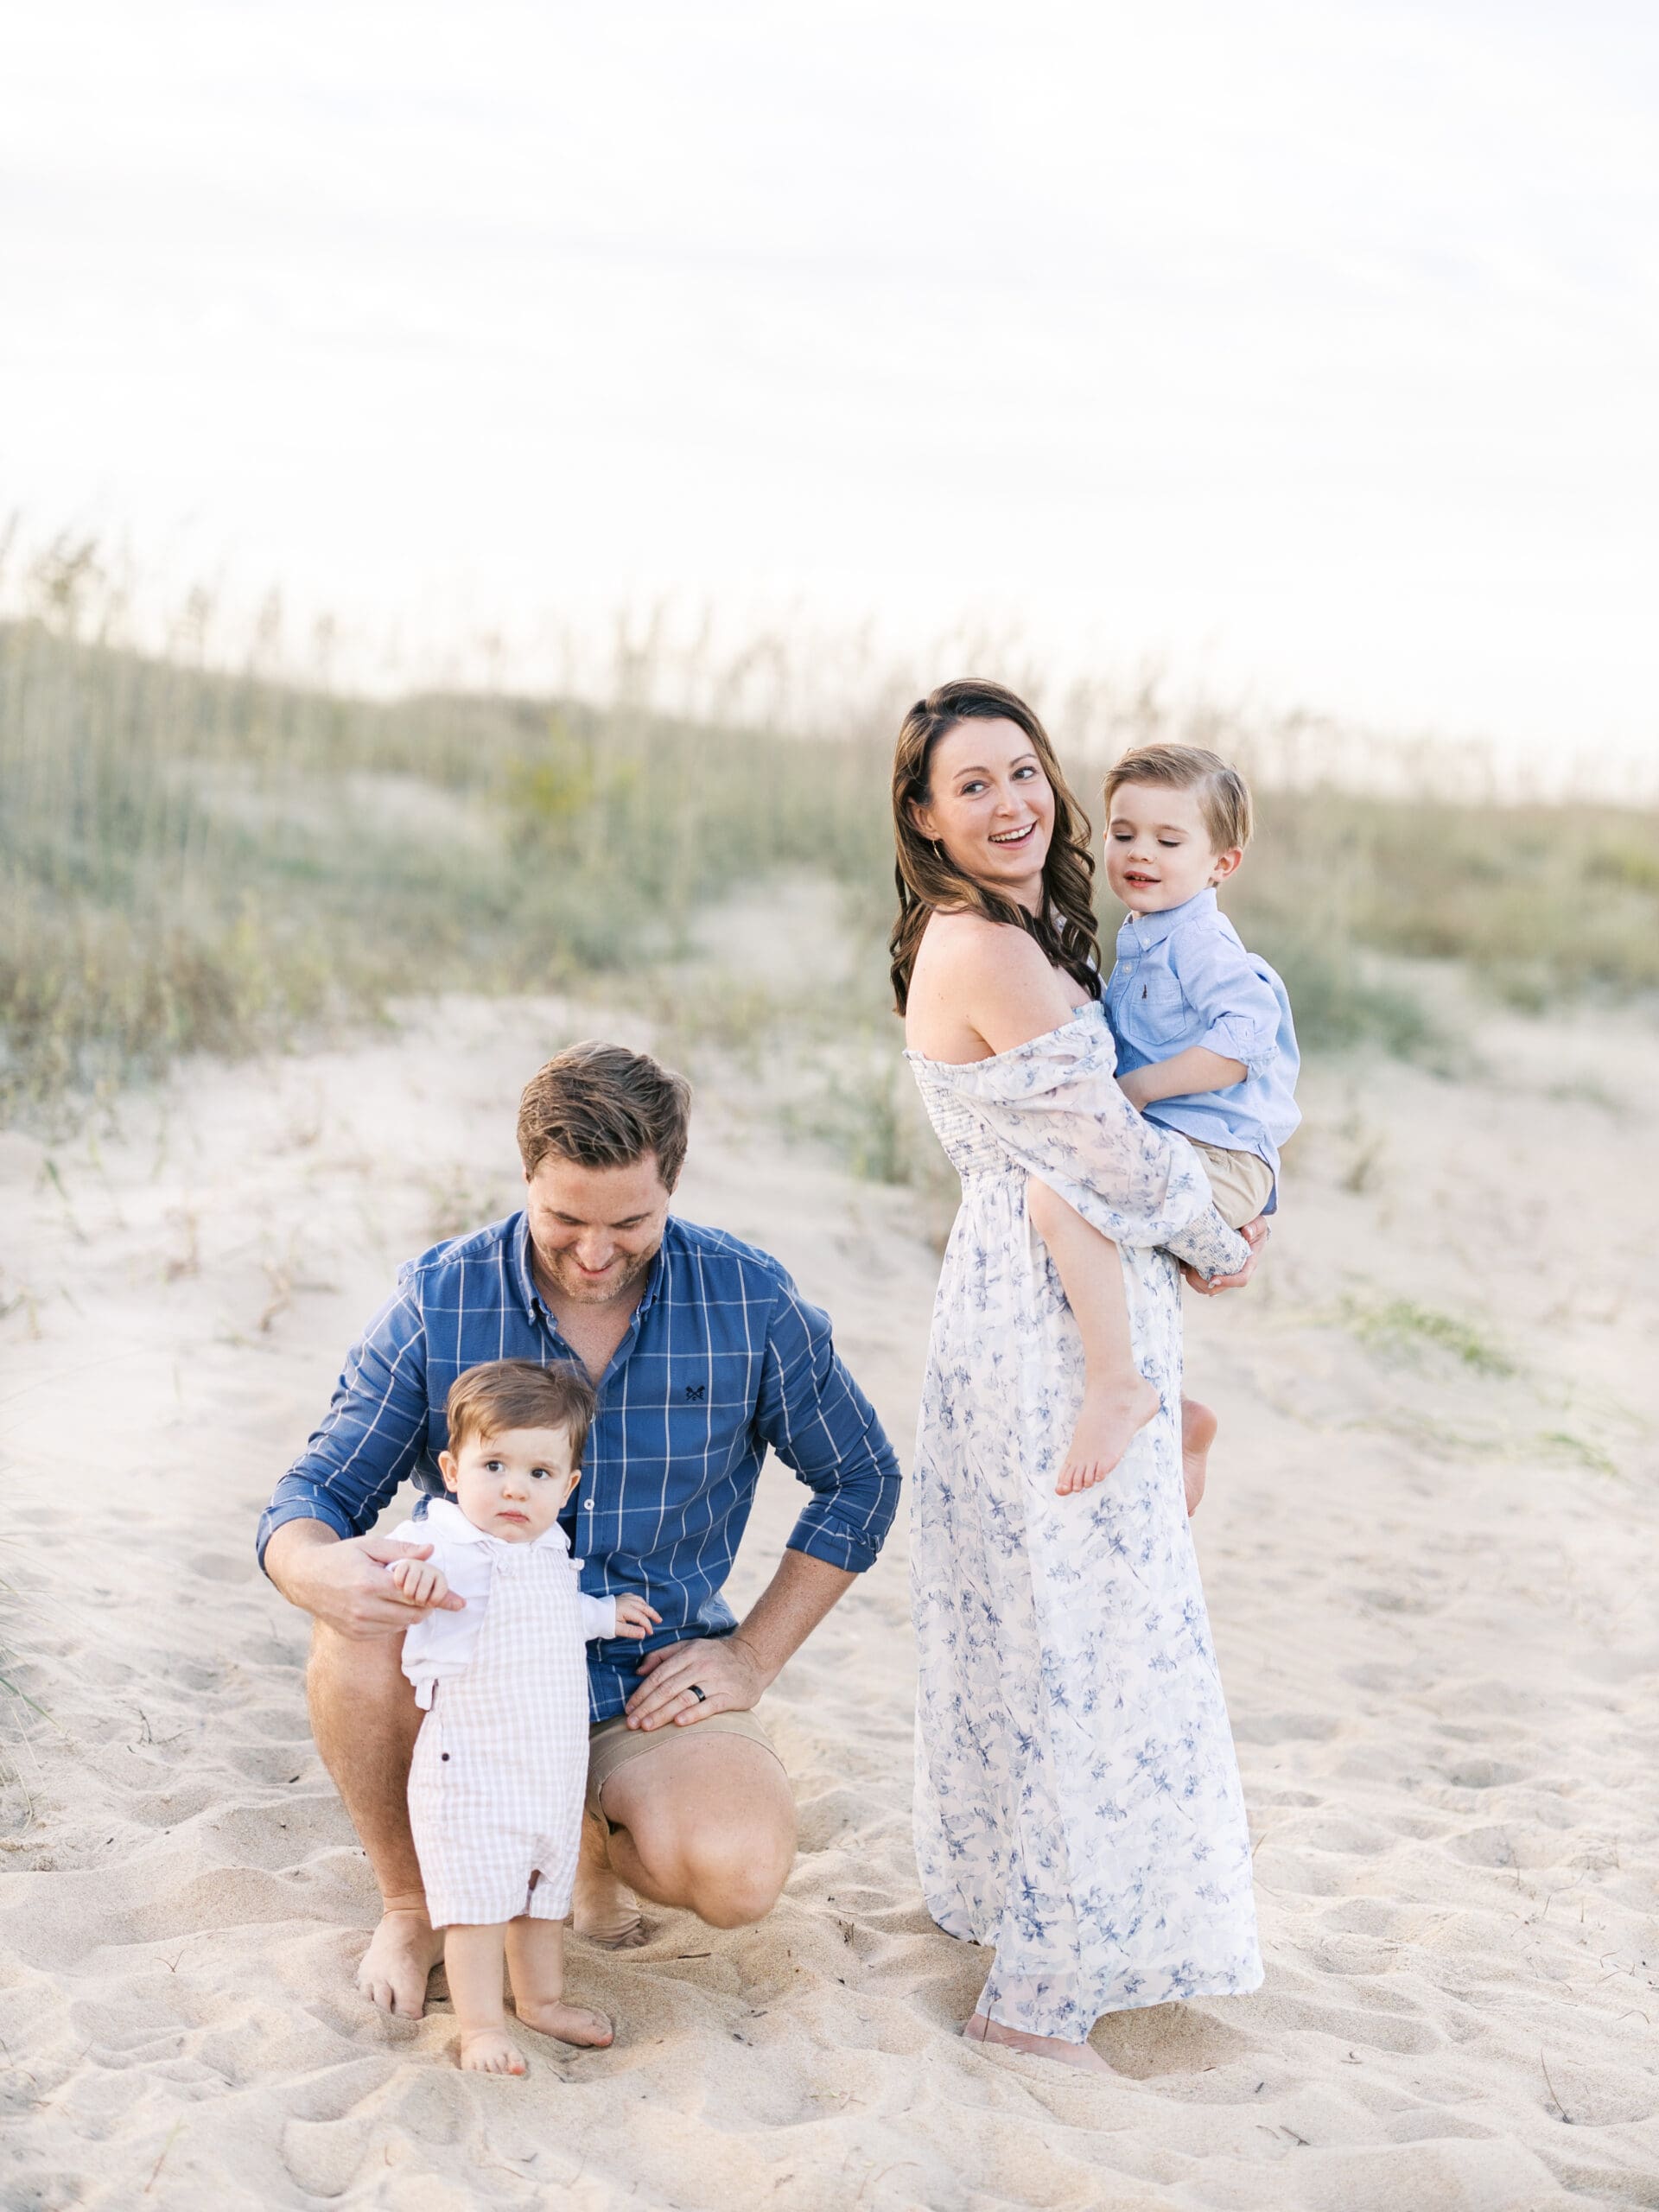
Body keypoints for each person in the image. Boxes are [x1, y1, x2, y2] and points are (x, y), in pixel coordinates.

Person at [258, 1040, 900, 2021]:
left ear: (671, 1184)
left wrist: (752, 1657)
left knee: (735, 1872)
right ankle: (414, 1903)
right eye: (564, 1219)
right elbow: (315, 1492)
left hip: (642, 1681)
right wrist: (316, 1570)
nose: (595, 1253)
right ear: (526, 1178)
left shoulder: (748, 1298)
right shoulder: (443, 1295)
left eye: (630, 1222)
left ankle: (587, 1843)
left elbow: (862, 1479)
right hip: (468, 1681)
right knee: (355, 1629)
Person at [893, 677, 1266, 2074]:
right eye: (971, 785)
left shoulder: (1029, 927)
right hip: (1041, 1319)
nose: (1011, 803)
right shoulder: (982, 949)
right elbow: (1103, 1150)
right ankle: (1036, 1994)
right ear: (924, 817)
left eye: (1023, 773)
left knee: (1055, 1617)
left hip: (1046, 1285)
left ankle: (1030, 1916)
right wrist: (1220, 1233)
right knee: (1083, 1632)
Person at [1025, 742, 1301, 1513]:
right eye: (1123, 833)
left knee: (1061, 1198)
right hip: (1200, 1147)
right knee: (1104, 1255)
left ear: (1222, 864)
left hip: (1217, 1152)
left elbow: (1243, 1045)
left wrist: (1138, 1089)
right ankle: (1176, 1415)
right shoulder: (1150, 931)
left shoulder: (1200, 942)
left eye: (1169, 841)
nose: (1139, 853)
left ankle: (1124, 1391)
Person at [381, 1358, 658, 2075]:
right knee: (477, 1906)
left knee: (541, 1896)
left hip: (545, 1771)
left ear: (567, 1487)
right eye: (494, 1464)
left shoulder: (545, 1546)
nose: (514, 1487)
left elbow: (550, 1613)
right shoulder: (443, 1546)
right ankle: (479, 2027)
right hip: (471, 1770)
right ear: (452, 1469)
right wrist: (415, 1581)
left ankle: (540, 2002)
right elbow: (412, 1591)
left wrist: (604, 1614)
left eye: (539, 1474)